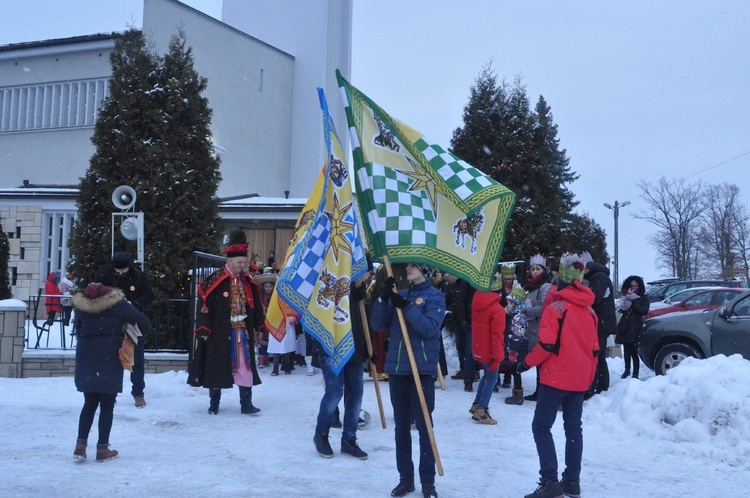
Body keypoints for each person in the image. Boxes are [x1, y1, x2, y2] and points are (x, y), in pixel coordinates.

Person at [516, 254, 599, 498]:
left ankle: (549, 481)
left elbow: (546, 346)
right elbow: (595, 351)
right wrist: (589, 380)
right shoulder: (591, 313)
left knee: (541, 427)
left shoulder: (556, 309)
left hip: (555, 379)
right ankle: (572, 481)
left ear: (562, 280)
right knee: (574, 429)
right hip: (579, 379)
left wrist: (525, 363)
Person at [371, 263, 445, 498]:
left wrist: (408, 308)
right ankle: (405, 479)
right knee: (401, 426)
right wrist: (383, 299)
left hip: (421, 368)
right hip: (397, 369)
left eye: (413, 266)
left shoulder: (436, 297)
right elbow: (378, 325)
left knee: (424, 426)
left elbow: (429, 329)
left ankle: (427, 482)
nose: (408, 269)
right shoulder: (400, 295)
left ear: (425, 269)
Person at [72, 282, 151, 462]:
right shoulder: (119, 304)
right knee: (107, 405)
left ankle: (80, 445)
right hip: (109, 358)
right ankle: (102, 449)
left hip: (87, 358)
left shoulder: (81, 307)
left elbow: (78, 331)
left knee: (89, 402)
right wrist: (126, 332)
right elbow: (145, 324)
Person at [187, 230, 264, 415]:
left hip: (242, 332)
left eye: (244, 262)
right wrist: (204, 327)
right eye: (239, 262)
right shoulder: (214, 280)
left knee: (245, 366)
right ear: (229, 261)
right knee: (216, 367)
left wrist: (259, 326)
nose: (242, 265)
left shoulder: (248, 281)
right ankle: (214, 403)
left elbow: (256, 307)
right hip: (219, 332)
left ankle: (246, 403)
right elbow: (204, 306)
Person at [312, 274, 371, 460]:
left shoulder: (359, 287)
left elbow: (363, 319)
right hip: (332, 345)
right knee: (335, 391)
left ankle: (349, 439)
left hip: (356, 345)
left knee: (355, 393)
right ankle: (321, 434)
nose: (367, 275)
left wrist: (370, 348)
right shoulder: (332, 272)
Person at [95, 252, 154, 408]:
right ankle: (111, 392)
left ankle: (138, 393)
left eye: (124, 270)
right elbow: (95, 294)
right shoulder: (104, 275)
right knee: (111, 360)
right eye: (118, 270)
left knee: (137, 360)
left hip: (132, 323)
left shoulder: (139, 277)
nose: (120, 272)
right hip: (111, 323)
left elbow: (149, 295)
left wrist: (133, 304)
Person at [469, 289, 506, 424]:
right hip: (491, 349)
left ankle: (477, 404)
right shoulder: (497, 309)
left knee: (486, 376)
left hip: (481, 346)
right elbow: (497, 336)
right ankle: (482, 410)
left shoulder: (479, 303)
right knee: (491, 378)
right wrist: (498, 356)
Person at [584, 259, 617, 394]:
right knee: (600, 354)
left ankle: (595, 385)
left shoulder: (598, 277)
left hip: (601, 322)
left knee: (596, 354)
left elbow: (594, 297)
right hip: (604, 322)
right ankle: (602, 384)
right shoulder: (601, 276)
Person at [444, 272, 476, 392]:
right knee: (460, 347)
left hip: (469, 320)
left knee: (469, 350)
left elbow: (471, 301)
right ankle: (464, 369)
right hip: (458, 320)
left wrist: (467, 318)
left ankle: (469, 379)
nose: (446, 278)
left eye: (448, 275)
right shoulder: (451, 286)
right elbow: (448, 301)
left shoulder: (467, 283)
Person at [615, 275, 649, 379]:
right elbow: (622, 310)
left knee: (634, 351)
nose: (633, 288)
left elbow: (643, 311)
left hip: (635, 326)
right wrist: (622, 306)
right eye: (631, 286)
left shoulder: (643, 297)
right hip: (625, 325)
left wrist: (633, 303)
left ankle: (635, 372)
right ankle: (627, 370)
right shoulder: (626, 296)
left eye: (635, 286)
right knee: (626, 350)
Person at [253, 269, 277, 369]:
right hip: (262, 320)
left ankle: (269, 359)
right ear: (263, 287)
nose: (268, 288)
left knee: (269, 340)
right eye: (266, 286)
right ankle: (261, 360)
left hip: (272, 320)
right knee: (261, 340)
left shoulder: (275, 296)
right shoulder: (259, 296)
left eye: (270, 286)